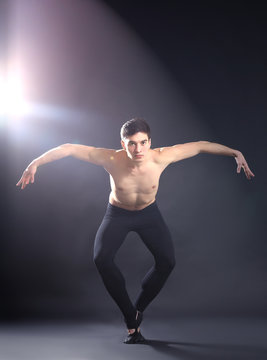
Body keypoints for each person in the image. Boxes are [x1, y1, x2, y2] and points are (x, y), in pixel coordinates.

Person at [16, 118, 254, 344]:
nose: (138, 149)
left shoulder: (162, 157)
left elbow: (202, 146)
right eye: (132, 143)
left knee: (167, 262)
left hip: (148, 214)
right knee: (101, 259)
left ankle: (138, 308)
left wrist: (236, 152)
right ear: (123, 144)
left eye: (143, 142)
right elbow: (68, 148)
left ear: (150, 142)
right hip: (117, 214)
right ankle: (131, 319)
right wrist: (35, 162)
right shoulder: (110, 158)